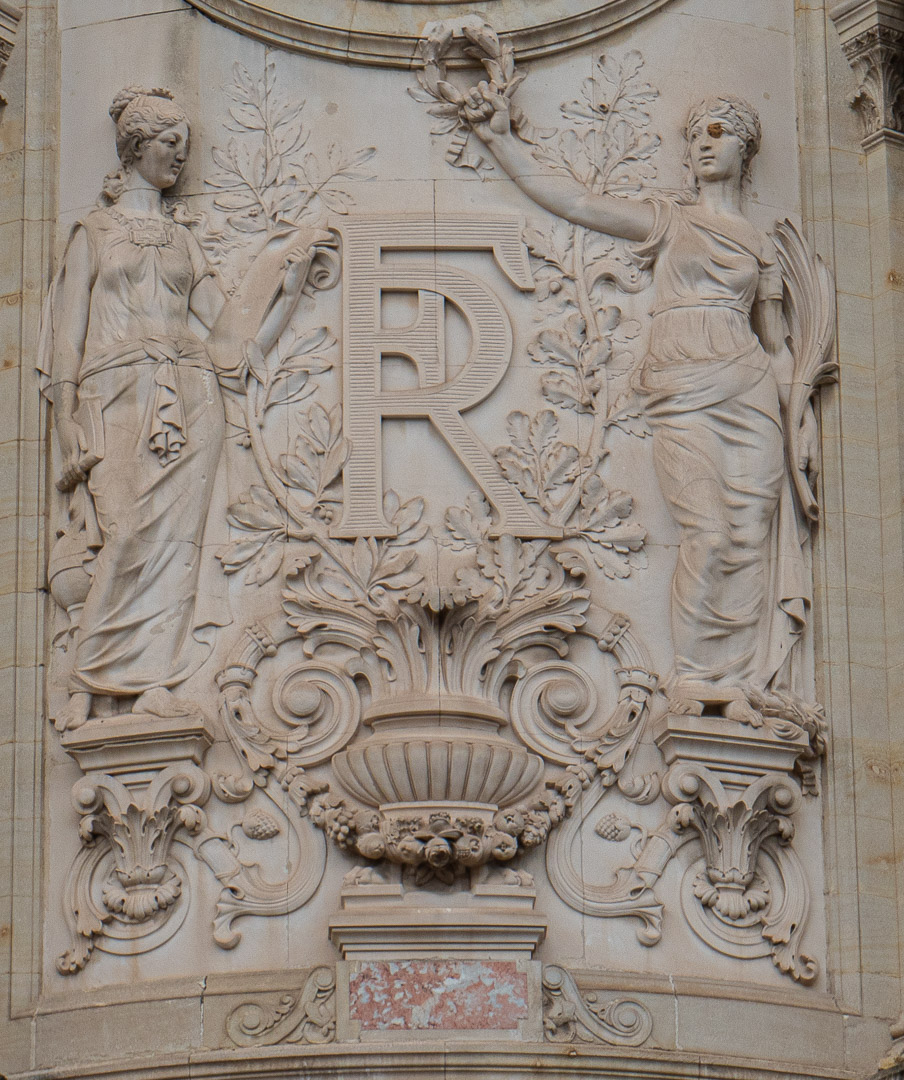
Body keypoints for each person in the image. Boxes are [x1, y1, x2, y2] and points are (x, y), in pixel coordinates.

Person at [463, 85, 817, 721]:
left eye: (717, 132)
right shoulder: (672, 220)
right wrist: (500, 140)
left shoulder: (759, 245)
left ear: (745, 149)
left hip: (751, 389)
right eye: (695, 135)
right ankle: (694, 677)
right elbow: (578, 203)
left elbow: (776, 345)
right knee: (708, 533)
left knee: (749, 535)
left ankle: (737, 683)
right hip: (684, 385)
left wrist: (801, 422)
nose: (703, 144)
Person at [39, 87, 325, 730]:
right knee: (125, 531)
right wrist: (65, 420)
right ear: (136, 146)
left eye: (184, 147)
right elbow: (66, 338)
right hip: (114, 392)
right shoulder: (93, 233)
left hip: (191, 395)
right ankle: (88, 677)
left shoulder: (182, 241)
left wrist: (287, 289)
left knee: (176, 544)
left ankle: (152, 683)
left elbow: (227, 336)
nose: (179, 158)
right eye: (170, 144)